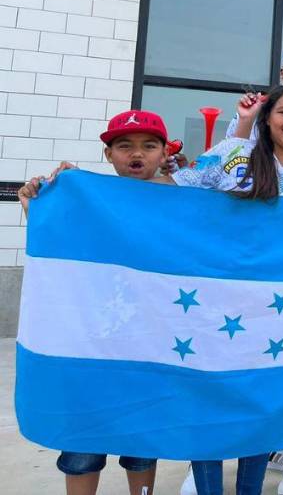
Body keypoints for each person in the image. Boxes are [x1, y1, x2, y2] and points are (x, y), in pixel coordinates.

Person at [172, 84, 283, 495]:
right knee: (210, 401)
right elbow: (173, 190)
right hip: (217, 303)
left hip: (276, 312)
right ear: (267, 118)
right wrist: (73, 188)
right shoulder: (232, 153)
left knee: (259, 408)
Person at [17, 110, 175, 495]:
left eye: (148, 146)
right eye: (124, 146)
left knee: (141, 444)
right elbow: (58, 246)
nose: (136, 154)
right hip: (90, 343)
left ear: (164, 152)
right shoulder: (88, 201)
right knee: (82, 443)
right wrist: (41, 203)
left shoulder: (180, 201)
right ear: (108, 154)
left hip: (148, 344)